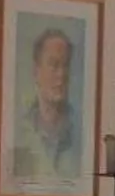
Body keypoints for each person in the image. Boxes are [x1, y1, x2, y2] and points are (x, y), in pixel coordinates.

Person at [10, 22, 81, 186]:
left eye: (66, 65)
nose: (61, 75)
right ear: (36, 71)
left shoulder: (81, 131)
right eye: (54, 65)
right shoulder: (19, 131)